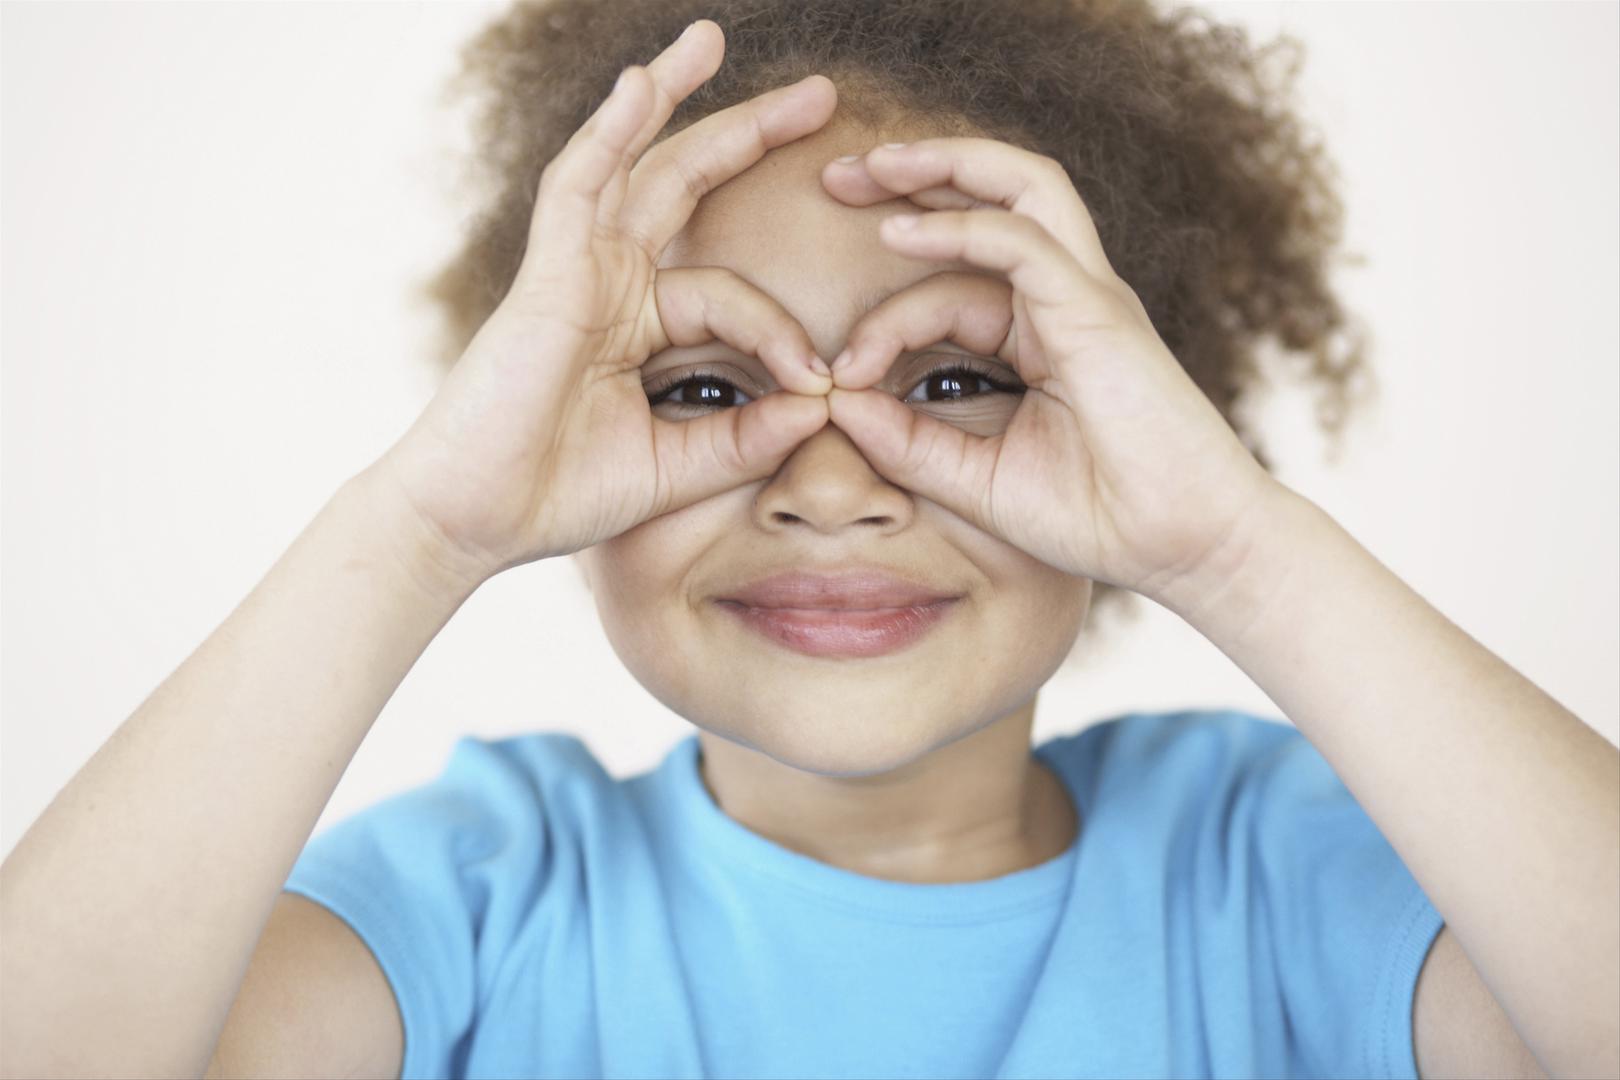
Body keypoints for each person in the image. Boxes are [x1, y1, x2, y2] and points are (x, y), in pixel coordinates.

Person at [2, 2, 1614, 1079]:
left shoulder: (1272, 870)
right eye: (706, 385)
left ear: (1143, 413)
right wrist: (421, 527)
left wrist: (1237, 551)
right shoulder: (481, 901)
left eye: (961, 380)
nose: (833, 484)